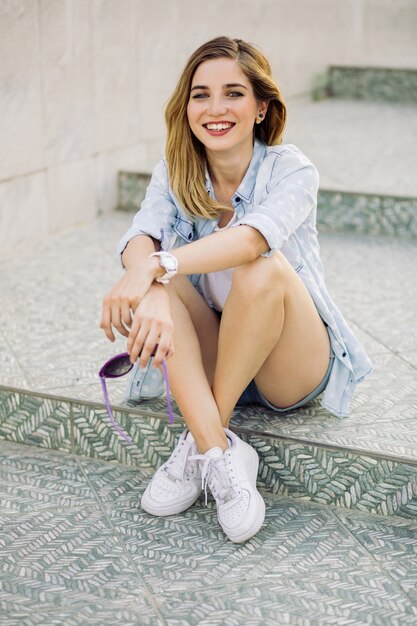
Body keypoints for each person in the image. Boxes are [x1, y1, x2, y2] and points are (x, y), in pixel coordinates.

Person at [100, 36, 372, 543]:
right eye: (201, 95)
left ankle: (202, 439)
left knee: (259, 267)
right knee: (163, 281)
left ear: (261, 107)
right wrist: (154, 286)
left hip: (286, 365)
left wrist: (154, 267)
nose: (215, 108)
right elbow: (140, 236)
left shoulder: (291, 169)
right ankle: (221, 453)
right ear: (186, 107)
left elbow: (250, 241)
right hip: (218, 349)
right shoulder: (175, 171)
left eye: (233, 93)